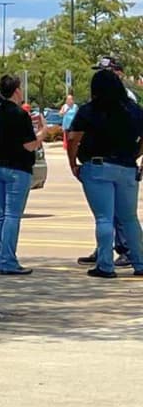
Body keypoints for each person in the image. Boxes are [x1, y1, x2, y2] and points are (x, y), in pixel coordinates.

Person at [66, 70, 143, 279]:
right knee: (129, 219)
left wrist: (73, 163)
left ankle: (105, 265)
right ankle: (140, 262)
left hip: (98, 166)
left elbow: (73, 138)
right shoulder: (135, 110)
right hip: (127, 167)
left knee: (103, 218)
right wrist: (138, 156)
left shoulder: (89, 110)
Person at [0, 74, 40, 275]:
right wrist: (43, 133)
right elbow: (29, 145)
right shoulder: (20, 114)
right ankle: (8, 259)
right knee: (12, 215)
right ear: (17, 90)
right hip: (18, 168)